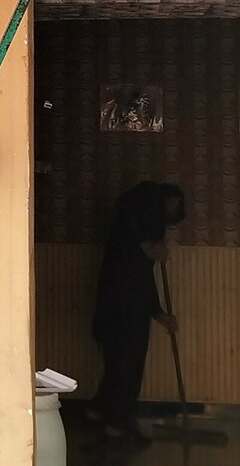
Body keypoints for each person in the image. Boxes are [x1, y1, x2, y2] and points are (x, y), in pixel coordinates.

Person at [90, 181, 186, 442]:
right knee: (126, 364)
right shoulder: (135, 226)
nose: (172, 210)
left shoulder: (133, 231)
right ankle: (116, 423)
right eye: (171, 204)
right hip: (123, 311)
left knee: (120, 363)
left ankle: (103, 412)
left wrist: (159, 313)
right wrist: (148, 246)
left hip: (123, 309)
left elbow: (143, 278)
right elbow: (134, 278)